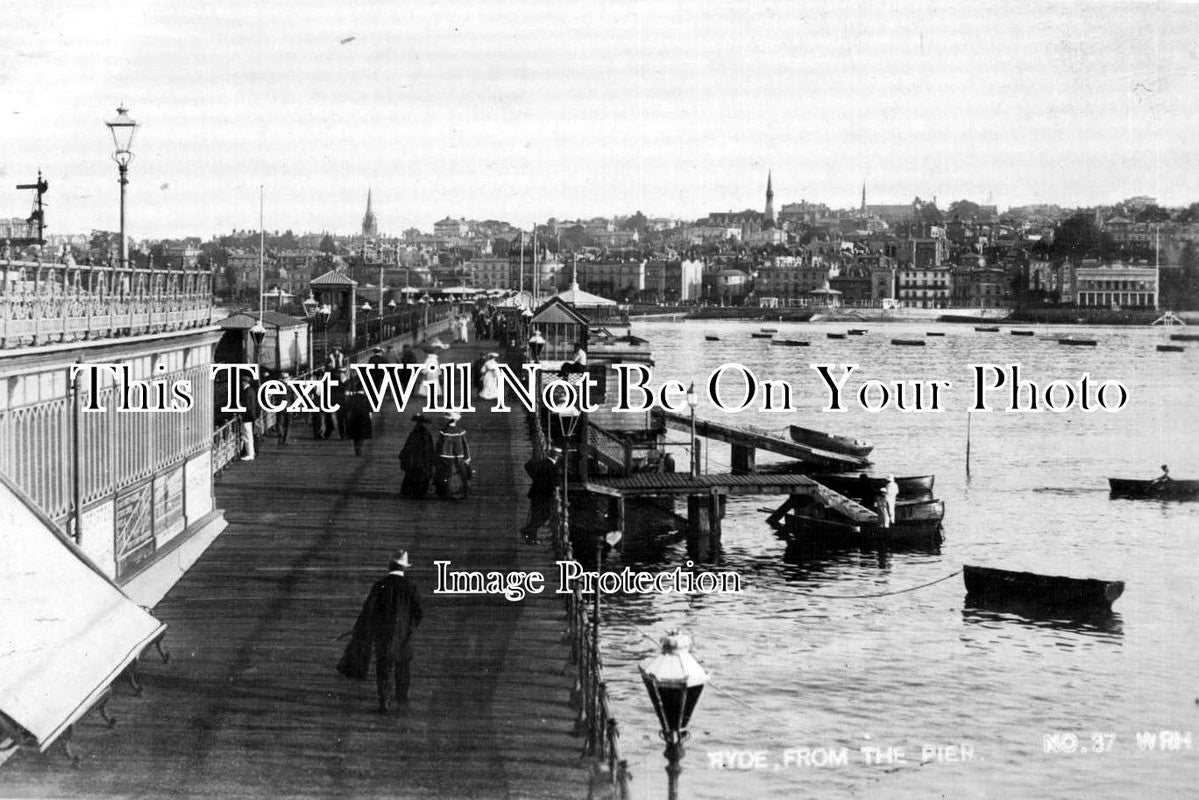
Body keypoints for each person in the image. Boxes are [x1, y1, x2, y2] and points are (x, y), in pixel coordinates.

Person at [337, 551, 424, 713]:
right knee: (403, 667)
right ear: (404, 568)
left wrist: (362, 629)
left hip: (384, 635)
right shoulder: (411, 587)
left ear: (390, 566)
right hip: (405, 636)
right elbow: (418, 612)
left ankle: (384, 700)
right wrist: (409, 628)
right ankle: (402, 698)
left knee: (383, 668)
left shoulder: (380, 585)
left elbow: (368, 611)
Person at [521, 446, 561, 544]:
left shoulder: (543, 462)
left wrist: (535, 479)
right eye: (559, 455)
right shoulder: (552, 465)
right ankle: (527, 531)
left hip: (536, 493)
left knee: (536, 516)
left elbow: (527, 465)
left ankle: (531, 537)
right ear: (556, 456)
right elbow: (555, 482)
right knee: (544, 515)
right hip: (544, 495)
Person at [434, 412, 471, 499]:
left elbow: (439, 445)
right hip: (459, 457)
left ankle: (444, 492)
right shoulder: (460, 431)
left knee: (445, 474)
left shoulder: (444, 431)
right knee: (461, 474)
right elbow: (465, 445)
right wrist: (467, 457)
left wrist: (436, 456)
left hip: (445, 457)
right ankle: (461, 492)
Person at [399, 414, 437, 498]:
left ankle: (411, 491)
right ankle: (418, 492)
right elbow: (428, 449)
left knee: (412, 475)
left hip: (415, 461)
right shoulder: (425, 434)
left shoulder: (415, 434)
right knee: (420, 476)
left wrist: (403, 457)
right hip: (422, 461)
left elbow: (408, 447)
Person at [344, 376, 374, 456]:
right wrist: (370, 419)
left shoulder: (352, 398)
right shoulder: (366, 399)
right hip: (364, 418)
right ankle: (359, 445)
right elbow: (370, 410)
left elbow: (348, 409)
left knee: (355, 435)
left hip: (354, 418)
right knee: (362, 434)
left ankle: (356, 445)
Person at [239, 374, 259, 461]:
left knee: (247, 435)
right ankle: (251, 453)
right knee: (248, 435)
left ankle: (250, 454)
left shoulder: (247, 392)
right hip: (250, 416)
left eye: (242, 382)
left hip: (247, 417)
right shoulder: (251, 390)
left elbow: (247, 406)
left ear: (244, 382)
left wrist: (241, 413)